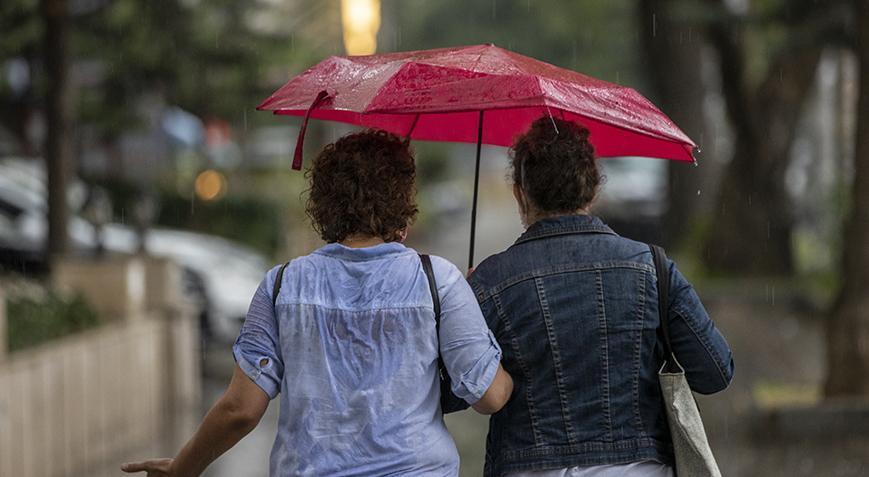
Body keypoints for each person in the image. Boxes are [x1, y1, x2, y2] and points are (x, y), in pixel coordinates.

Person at [122, 130, 513, 477]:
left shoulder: (282, 284)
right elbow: (490, 396)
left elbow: (240, 410)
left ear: (324, 203)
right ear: (402, 203)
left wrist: (183, 468)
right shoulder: (437, 281)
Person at [467, 117, 734, 477]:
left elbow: (455, 392)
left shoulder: (490, 281)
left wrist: (463, 307)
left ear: (520, 193)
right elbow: (715, 372)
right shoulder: (652, 267)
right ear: (593, 192)